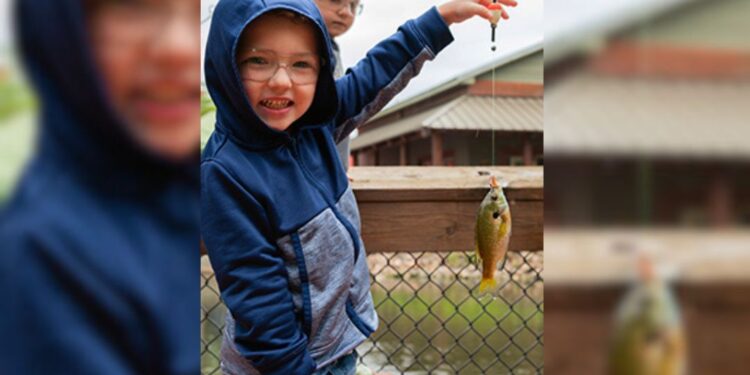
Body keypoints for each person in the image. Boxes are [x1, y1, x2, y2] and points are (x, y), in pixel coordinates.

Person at [201, 0, 517, 374]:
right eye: (258, 60)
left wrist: (443, 18)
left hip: (338, 348)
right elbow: (261, 311)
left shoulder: (315, 125)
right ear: (225, 65)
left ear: (320, 70)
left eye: (301, 64)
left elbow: (374, 74)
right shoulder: (226, 174)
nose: (281, 81)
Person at [0, 1, 200, 374]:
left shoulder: (170, 193)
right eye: (134, 8)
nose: (181, 47)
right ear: (57, 31)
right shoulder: (43, 255)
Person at [313, 0, 362, 170]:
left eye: (354, 6)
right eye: (335, 1)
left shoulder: (332, 47)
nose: (347, 12)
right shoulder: (308, 46)